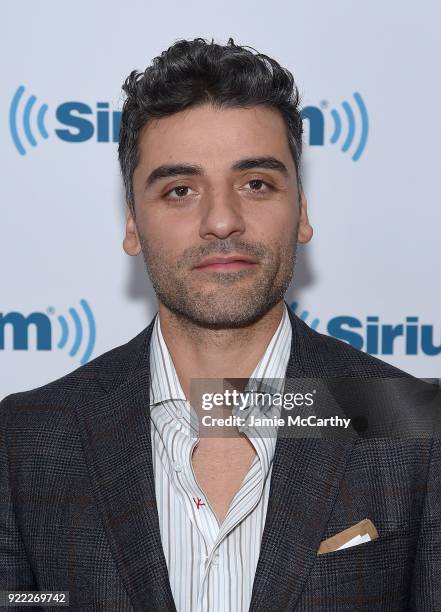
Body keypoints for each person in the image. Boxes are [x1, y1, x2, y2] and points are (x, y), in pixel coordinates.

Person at [1, 38, 439, 612]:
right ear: (132, 223)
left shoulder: (410, 427)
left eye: (256, 182)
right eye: (180, 190)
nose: (222, 220)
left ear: (302, 210)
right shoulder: (28, 440)